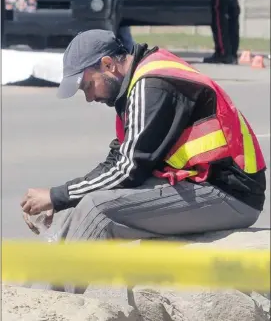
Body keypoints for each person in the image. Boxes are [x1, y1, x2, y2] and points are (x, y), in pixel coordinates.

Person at [21, 30, 266, 258]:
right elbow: (119, 160)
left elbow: (127, 170)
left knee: (98, 210)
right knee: (87, 201)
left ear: (108, 65)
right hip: (203, 184)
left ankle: (63, 300)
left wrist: (58, 195)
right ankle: (50, 289)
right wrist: (63, 198)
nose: (89, 97)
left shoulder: (152, 86)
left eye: (88, 85)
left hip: (229, 195)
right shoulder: (141, 80)